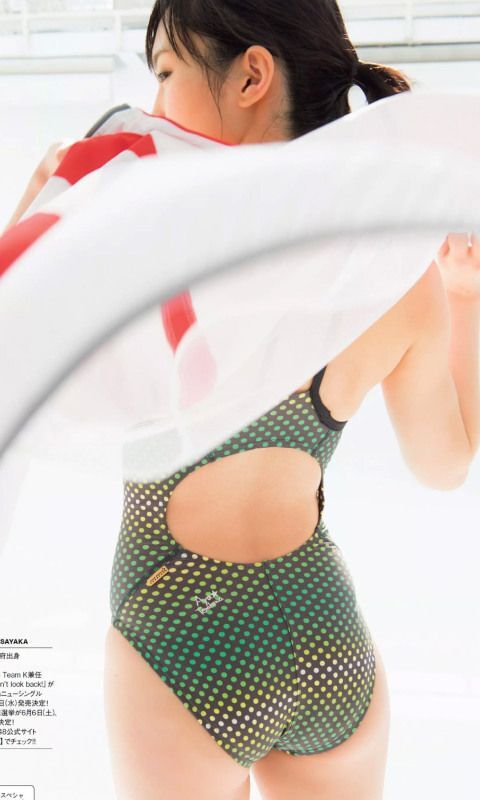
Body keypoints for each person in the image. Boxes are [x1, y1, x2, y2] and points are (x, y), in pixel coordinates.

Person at [102, 2, 480, 799]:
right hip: (327, 642)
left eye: (166, 72)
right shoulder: (396, 273)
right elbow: (445, 465)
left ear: (251, 76)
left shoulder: (147, 242)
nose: (155, 102)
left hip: (184, 636)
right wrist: (464, 295)